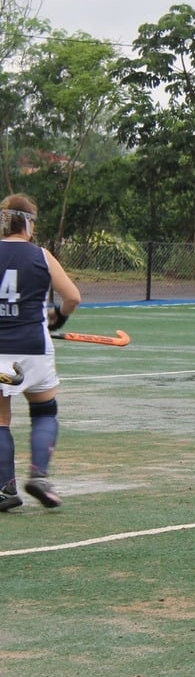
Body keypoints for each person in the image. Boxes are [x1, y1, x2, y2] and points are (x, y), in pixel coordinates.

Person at [0, 193, 82, 512]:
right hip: (35, 348)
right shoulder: (42, 256)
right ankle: (39, 475)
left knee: (1, 420)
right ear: (29, 223)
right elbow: (72, 297)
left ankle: (6, 489)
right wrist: (57, 316)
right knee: (44, 411)